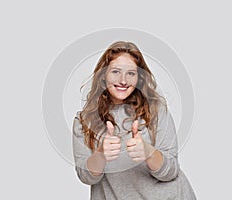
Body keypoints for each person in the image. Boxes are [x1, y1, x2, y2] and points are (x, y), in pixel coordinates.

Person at [72, 41, 196, 199]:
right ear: (103, 75)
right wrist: (101, 154)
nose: (123, 80)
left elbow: (170, 172)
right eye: (116, 71)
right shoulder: (84, 121)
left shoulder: (157, 111)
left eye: (131, 73)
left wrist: (148, 152)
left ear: (139, 78)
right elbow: (86, 176)